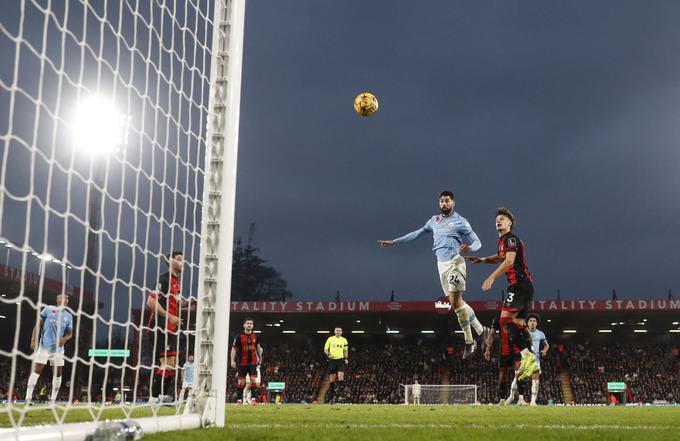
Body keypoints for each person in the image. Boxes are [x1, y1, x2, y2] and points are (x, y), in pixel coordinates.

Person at [378, 190, 489, 358]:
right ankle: (483, 331)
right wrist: (395, 241)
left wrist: (470, 248)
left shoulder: (461, 222)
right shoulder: (434, 220)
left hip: (455, 263)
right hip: (441, 265)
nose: (444, 203)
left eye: (447, 201)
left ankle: (469, 341)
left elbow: (478, 242)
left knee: (456, 303)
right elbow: (417, 233)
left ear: (453, 203)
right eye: (442, 201)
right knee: (458, 303)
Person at [466, 207, 538, 380]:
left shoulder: (511, 239)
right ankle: (528, 358)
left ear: (510, 224)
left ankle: (528, 355)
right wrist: (482, 260)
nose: (498, 221)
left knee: (504, 320)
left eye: (503, 219)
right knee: (518, 325)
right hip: (524, 287)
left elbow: (509, 261)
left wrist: (491, 277)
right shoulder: (502, 241)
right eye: (497, 219)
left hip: (519, 286)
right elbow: (499, 257)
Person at [143, 250, 193, 403]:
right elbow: (150, 302)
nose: (182, 262)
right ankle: (154, 397)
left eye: (183, 260)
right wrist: (170, 317)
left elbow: (174, 304)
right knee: (166, 364)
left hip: (170, 328)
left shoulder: (176, 283)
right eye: (179, 259)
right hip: (159, 326)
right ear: (170, 262)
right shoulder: (164, 279)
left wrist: (187, 303)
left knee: (172, 364)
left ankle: (163, 395)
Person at [25, 293, 73, 405]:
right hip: (44, 347)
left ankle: (53, 400)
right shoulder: (47, 309)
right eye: (63, 298)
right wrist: (33, 340)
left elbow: (70, 333)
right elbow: (38, 325)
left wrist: (64, 338)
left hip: (58, 349)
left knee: (58, 373)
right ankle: (28, 399)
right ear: (57, 299)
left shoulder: (69, 316)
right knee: (36, 370)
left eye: (67, 299)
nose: (65, 300)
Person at [484, 310, 521, 405]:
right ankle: (502, 399)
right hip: (505, 351)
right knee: (502, 375)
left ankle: (520, 399)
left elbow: (523, 332)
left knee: (519, 372)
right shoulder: (497, 317)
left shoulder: (517, 315)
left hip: (517, 350)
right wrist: (488, 349)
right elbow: (491, 335)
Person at [230, 318, 263, 404]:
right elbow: (234, 349)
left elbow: (258, 348)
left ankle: (253, 400)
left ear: (253, 326)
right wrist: (232, 361)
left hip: (253, 362)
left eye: (251, 324)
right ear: (244, 325)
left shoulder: (256, 336)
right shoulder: (239, 337)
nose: (249, 325)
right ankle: (239, 400)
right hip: (242, 362)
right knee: (241, 382)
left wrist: (260, 358)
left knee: (253, 379)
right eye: (247, 323)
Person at [521, 313, 548, 406]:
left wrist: (544, 350)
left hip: (535, 360)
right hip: (524, 359)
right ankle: (520, 399)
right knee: (519, 379)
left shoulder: (541, 334)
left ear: (536, 323)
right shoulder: (523, 332)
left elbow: (546, 345)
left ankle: (533, 401)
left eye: (534, 321)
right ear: (527, 323)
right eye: (531, 321)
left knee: (535, 379)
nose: (532, 322)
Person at [324, 327, 349, 402]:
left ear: (341, 332)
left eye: (339, 330)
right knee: (332, 379)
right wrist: (328, 354)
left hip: (341, 360)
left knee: (341, 377)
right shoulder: (330, 339)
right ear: (334, 332)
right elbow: (325, 349)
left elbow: (345, 350)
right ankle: (331, 395)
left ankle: (340, 395)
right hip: (332, 360)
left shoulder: (344, 340)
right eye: (337, 330)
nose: (338, 331)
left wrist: (346, 358)